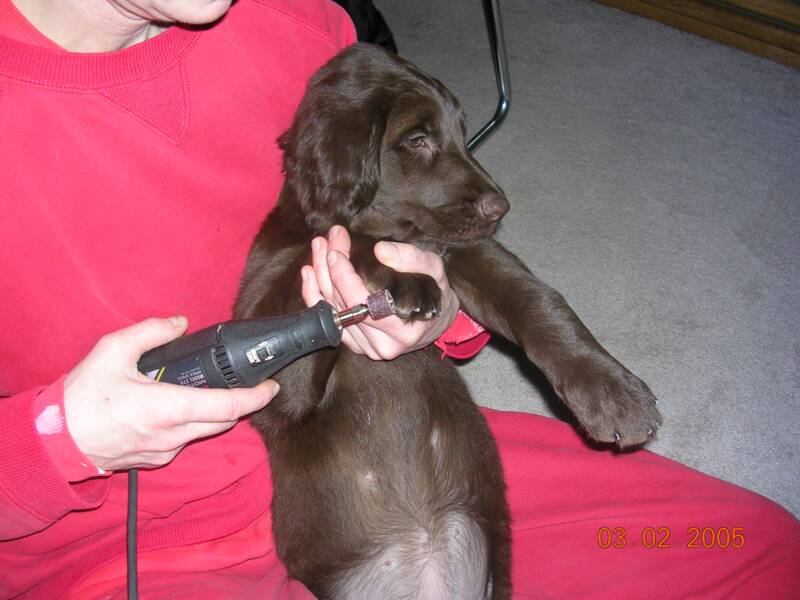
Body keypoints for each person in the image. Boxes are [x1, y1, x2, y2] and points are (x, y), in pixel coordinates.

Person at [1, 1, 798, 598]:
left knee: (757, 548)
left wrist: (439, 318)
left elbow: (413, 236)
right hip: (136, 535)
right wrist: (61, 436)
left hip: (407, 445)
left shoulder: (296, 18)